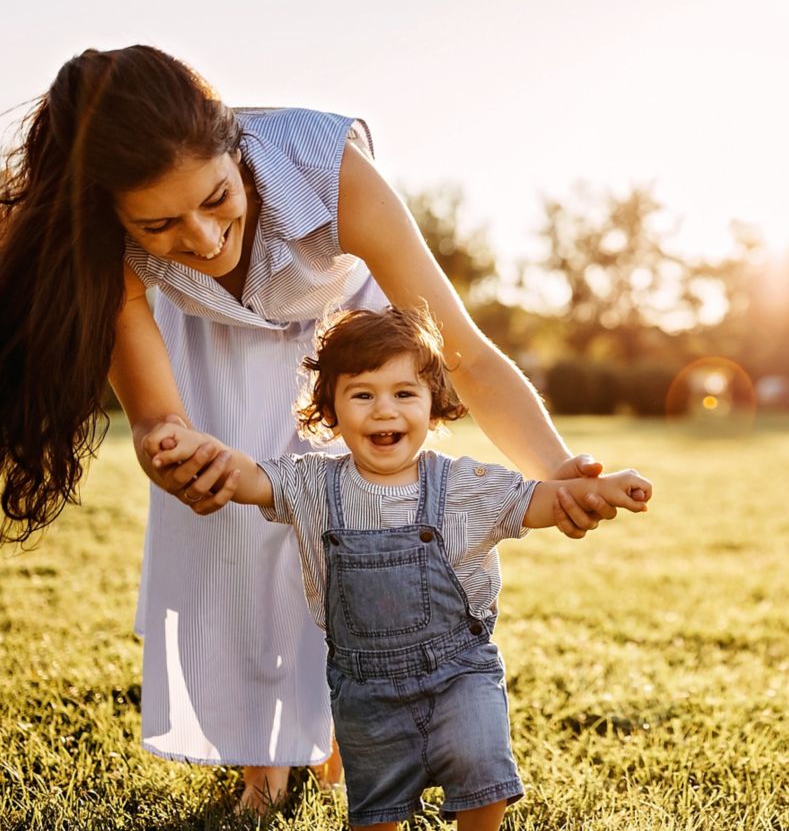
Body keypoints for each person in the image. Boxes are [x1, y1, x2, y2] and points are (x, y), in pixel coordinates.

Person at [0, 45, 634, 811]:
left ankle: (336, 715)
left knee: (362, 519)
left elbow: (460, 351)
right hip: (211, 335)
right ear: (112, 214)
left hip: (344, 327)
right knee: (238, 533)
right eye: (160, 223)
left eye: (216, 198)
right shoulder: (101, 246)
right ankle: (261, 757)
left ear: (236, 151)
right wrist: (169, 449)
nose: (202, 239)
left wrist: (557, 465)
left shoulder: (328, 167)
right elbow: (157, 416)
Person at [144, 306, 652, 830]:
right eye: (362, 394)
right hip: (366, 688)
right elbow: (253, 480)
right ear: (330, 412)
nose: (384, 410)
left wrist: (600, 487)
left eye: (404, 393)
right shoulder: (314, 485)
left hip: (461, 671)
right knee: (378, 804)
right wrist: (209, 454)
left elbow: (535, 500)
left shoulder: (463, 484)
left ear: (434, 406)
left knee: (481, 771)